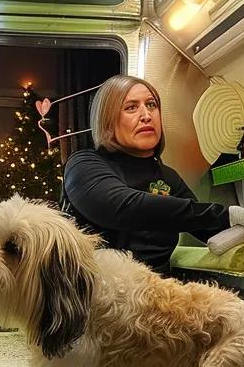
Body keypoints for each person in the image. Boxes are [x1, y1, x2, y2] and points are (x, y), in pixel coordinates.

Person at [62, 75, 230, 274]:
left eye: (151, 105)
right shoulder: (83, 165)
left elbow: (207, 226)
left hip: (158, 292)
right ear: (107, 120)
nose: (146, 115)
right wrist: (227, 215)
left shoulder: (168, 177)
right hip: (98, 293)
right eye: (131, 107)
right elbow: (123, 207)